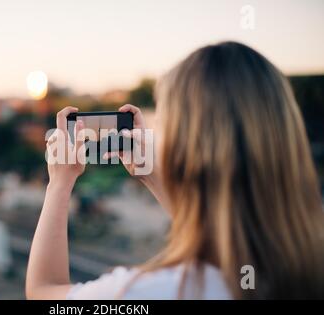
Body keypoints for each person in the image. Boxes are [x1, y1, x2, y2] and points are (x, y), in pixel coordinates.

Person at [25, 41, 324, 299]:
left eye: (163, 122)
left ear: (184, 148)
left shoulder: (151, 292)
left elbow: (44, 290)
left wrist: (59, 186)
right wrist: (153, 177)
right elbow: (219, 238)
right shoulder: (307, 264)